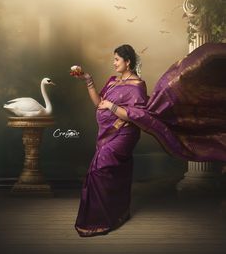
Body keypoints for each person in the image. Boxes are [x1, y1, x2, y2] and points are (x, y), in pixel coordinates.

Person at [72, 43, 226, 237]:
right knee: (106, 172)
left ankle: (101, 219)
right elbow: (98, 103)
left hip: (123, 135)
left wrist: (111, 106)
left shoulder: (137, 86)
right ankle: (113, 214)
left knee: (100, 169)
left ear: (128, 62)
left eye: (117, 59)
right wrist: (88, 80)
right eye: (114, 59)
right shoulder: (113, 82)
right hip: (105, 134)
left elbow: (134, 114)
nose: (114, 63)